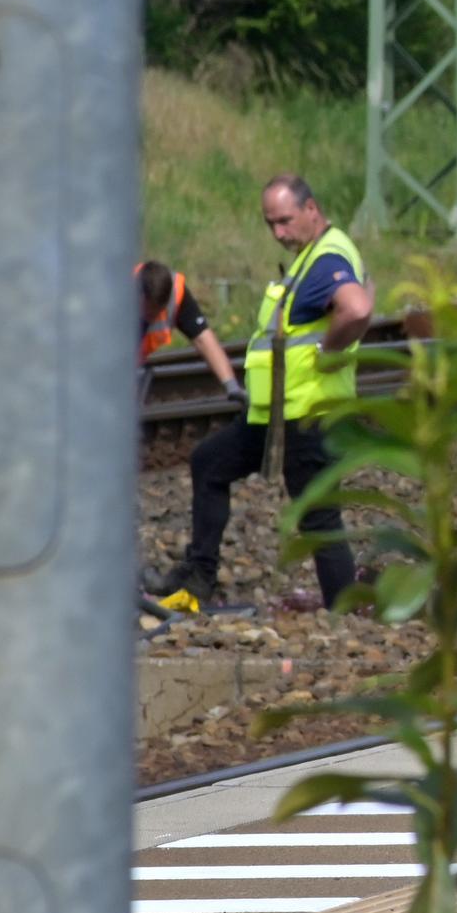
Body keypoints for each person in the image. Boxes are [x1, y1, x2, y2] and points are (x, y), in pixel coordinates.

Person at [163, 174, 371, 613]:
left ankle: (345, 612)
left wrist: (327, 348)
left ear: (311, 209)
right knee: (209, 463)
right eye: (269, 224)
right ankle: (199, 576)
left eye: (285, 221)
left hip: (307, 414)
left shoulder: (325, 258)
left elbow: (358, 308)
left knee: (318, 514)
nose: (278, 233)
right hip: (274, 416)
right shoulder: (311, 254)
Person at [136, 259, 235, 403]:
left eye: (156, 312)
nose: (152, 317)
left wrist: (232, 387)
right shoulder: (114, 294)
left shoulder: (176, 293)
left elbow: (203, 338)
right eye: (148, 311)